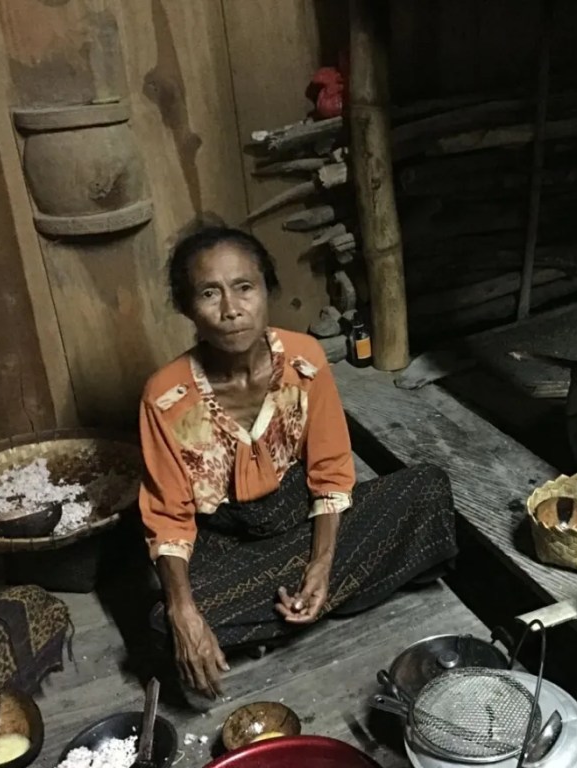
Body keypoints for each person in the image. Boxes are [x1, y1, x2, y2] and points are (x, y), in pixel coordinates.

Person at [139, 226, 458, 709]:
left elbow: (329, 474)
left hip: (299, 514)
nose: (231, 309)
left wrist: (322, 563)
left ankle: (295, 601)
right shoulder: (166, 396)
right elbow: (169, 519)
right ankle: (342, 590)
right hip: (224, 539)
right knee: (167, 620)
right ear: (187, 308)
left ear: (266, 291)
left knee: (428, 489)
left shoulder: (304, 361)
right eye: (209, 293)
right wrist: (183, 612)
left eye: (244, 287)